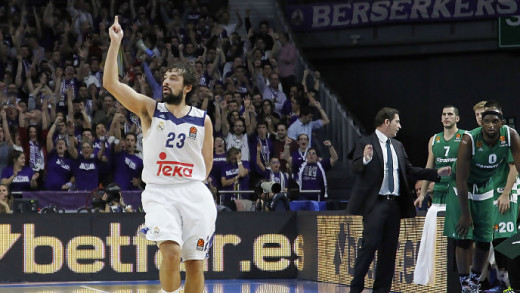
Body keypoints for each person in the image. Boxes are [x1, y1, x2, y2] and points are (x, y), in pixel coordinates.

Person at [103, 16, 216, 293]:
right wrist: (115, 43)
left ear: (187, 87)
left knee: (195, 265)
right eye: (165, 77)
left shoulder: (203, 120)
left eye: (173, 79)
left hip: (194, 193)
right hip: (160, 193)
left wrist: (192, 182)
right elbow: (111, 84)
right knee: (171, 253)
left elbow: (207, 164)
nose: (166, 81)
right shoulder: (151, 109)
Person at [347, 107, 451, 293]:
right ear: (386, 122)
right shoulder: (365, 142)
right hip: (375, 204)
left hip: (394, 205)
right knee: (370, 245)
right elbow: (354, 168)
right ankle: (356, 287)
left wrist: (436, 173)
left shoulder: (397, 146)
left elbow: (410, 170)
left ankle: (382, 290)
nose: (400, 126)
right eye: (397, 121)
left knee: (389, 251)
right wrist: (364, 159)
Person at [445, 101, 520, 293]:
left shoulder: (510, 136)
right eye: (486, 120)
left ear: (502, 122)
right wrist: (465, 213)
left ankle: (475, 281)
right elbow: (461, 179)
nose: (490, 125)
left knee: (486, 239)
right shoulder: (469, 139)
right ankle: (464, 283)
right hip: (461, 185)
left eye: (495, 121)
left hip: (487, 185)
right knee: (464, 237)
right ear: (482, 123)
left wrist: (506, 192)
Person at [413, 105, 465, 285]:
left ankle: (463, 281)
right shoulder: (434, 140)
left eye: (450, 114)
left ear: (457, 118)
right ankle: (434, 281)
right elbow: (429, 168)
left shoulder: (465, 137)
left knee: (460, 244)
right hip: (437, 201)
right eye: (443, 114)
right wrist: (423, 193)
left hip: (457, 199)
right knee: (434, 244)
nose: (446, 117)